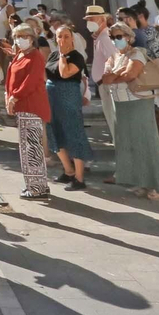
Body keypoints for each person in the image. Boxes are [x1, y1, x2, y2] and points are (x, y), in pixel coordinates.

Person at [99, 23, 159, 200]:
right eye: (113, 37)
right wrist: (119, 73)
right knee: (130, 144)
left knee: (146, 144)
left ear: (129, 37)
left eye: (119, 36)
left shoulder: (137, 52)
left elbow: (131, 74)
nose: (116, 40)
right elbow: (105, 78)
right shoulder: (115, 56)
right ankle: (142, 182)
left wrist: (116, 74)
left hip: (138, 103)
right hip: (121, 104)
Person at [4, 22, 51, 199]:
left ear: (32, 38)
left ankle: (37, 188)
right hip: (21, 106)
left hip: (31, 105)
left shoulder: (35, 57)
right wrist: (10, 97)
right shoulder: (20, 55)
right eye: (17, 36)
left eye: (25, 36)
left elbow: (31, 81)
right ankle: (35, 184)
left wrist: (14, 96)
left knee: (32, 148)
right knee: (27, 147)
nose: (20, 40)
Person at [46, 24, 92, 191]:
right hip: (52, 97)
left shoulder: (76, 57)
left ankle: (79, 178)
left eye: (66, 36)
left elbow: (65, 73)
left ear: (72, 38)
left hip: (69, 97)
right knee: (54, 132)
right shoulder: (52, 55)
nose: (63, 40)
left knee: (74, 133)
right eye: (59, 36)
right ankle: (68, 171)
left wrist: (64, 56)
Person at [83, 5, 116, 137]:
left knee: (113, 120)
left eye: (92, 19)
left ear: (102, 20)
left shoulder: (105, 38)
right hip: (103, 84)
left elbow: (114, 60)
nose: (89, 23)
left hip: (107, 84)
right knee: (110, 119)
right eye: (87, 20)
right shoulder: (100, 37)